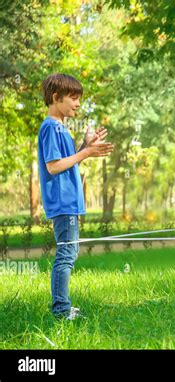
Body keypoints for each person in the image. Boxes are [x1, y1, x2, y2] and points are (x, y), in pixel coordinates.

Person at [38, 73, 114, 319]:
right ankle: (61, 310)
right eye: (73, 98)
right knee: (67, 254)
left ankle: (62, 307)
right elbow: (54, 166)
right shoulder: (51, 127)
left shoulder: (60, 128)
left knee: (68, 252)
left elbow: (67, 163)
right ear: (56, 97)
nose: (78, 104)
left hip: (68, 202)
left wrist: (84, 147)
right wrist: (87, 152)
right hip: (63, 202)